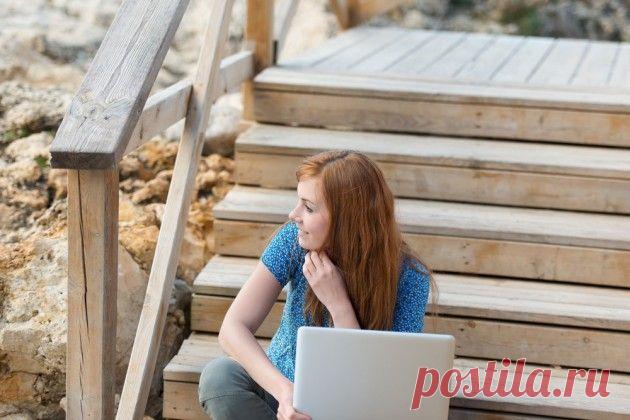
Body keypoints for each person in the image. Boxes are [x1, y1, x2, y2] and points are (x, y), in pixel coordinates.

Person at [198, 150, 437, 420]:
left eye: (309, 208)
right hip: (282, 399)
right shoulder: (293, 241)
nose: (294, 214)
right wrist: (285, 392)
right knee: (220, 377)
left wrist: (339, 305)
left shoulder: (410, 277)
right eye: (298, 203)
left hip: (353, 409)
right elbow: (233, 328)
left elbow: (385, 384)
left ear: (348, 219)